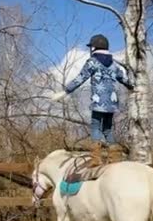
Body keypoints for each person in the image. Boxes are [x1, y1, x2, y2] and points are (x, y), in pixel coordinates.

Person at [50, 34, 134, 167]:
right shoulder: (114, 64)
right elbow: (123, 79)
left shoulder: (92, 62)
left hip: (98, 102)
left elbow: (80, 78)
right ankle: (114, 157)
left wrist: (66, 91)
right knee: (108, 129)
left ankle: (95, 159)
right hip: (111, 104)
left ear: (94, 47)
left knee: (95, 127)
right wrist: (134, 86)